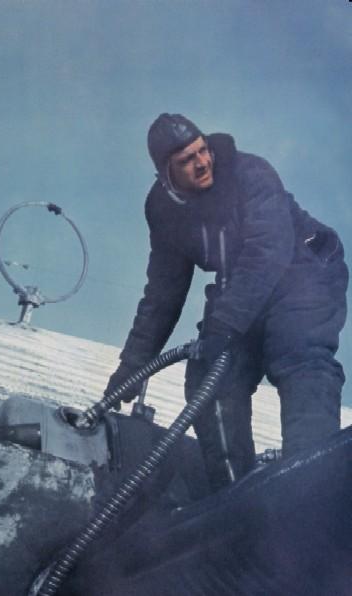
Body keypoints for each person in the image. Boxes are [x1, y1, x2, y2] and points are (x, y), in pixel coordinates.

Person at [105, 113, 348, 492]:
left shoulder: (250, 174)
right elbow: (163, 293)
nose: (202, 162)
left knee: (297, 353)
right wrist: (132, 367)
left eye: (202, 150)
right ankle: (233, 495)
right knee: (210, 373)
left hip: (303, 265)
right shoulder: (164, 210)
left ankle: (310, 482)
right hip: (242, 281)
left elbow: (268, 251)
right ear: (166, 172)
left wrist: (225, 325)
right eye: (187, 160)